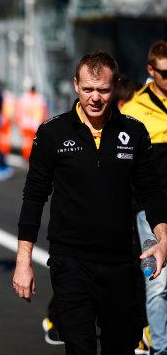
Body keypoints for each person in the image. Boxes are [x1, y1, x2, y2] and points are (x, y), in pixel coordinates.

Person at [13, 51, 167, 355]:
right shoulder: (52, 133)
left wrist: (162, 240)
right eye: (87, 89)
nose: (95, 98)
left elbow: (151, 192)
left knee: (120, 345)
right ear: (75, 85)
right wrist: (23, 262)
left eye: (103, 90)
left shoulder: (133, 132)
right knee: (80, 346)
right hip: (70, 260)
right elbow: (33, 198)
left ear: (116, 86)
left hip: (121, 262)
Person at [121, 41, 167, 355]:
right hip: (150, 212)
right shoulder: (134, 111)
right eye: (165, 73)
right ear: (151, 71)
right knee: (157, 282)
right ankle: (160, 348)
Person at [14, 86, 47, 161]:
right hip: (36, 125)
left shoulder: (23, 98)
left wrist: (18, 122)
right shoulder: (40, 99)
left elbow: (18, 112)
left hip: (25, 124)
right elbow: (44, 114)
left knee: (26, 142)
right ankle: (33, 157)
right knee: (35, 142)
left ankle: (26, 157)